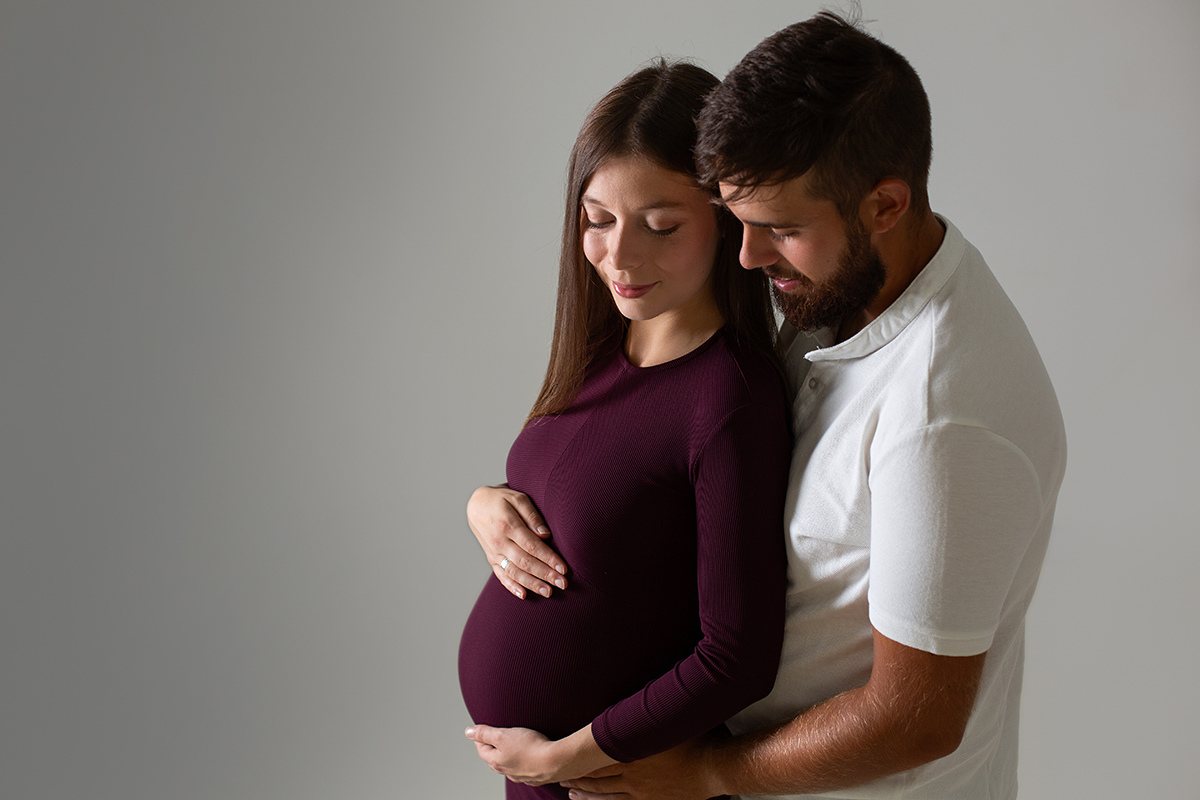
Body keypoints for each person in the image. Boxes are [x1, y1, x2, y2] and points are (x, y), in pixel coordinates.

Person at [470, 12, 1067, 800]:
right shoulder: (838, 295)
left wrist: (706, 769)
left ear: (885, 205)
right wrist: (491, 504)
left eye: (780, 229)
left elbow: (915, 719)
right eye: (740, 223)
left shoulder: (944, 417)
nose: (748, 256)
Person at [458, 61, 793, 799]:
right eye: (598, 221)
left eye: (661, 226)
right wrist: (485, 503)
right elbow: (583, 499)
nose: (621, 256)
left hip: (611, 787)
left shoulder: (730, 400)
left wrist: (569, 757)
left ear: (726, 219)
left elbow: (737, 657)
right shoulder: (600, 352)